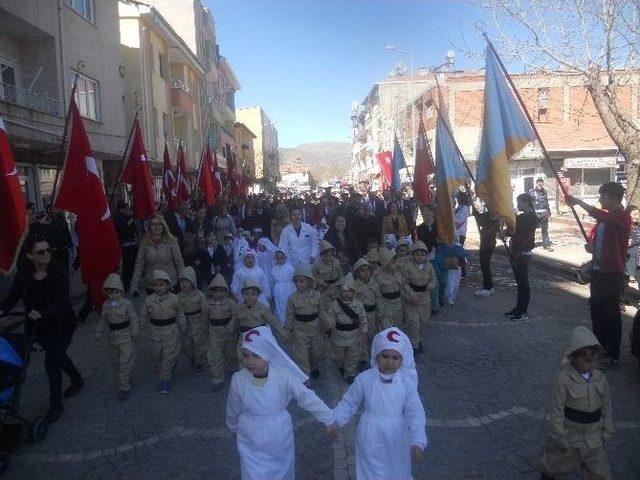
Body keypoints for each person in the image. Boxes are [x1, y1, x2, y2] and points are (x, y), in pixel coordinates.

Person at [226, 326, 337, 480]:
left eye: (256, 356)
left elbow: (306, 396)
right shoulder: (238, 379)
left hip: (278, 433)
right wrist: (233, 427)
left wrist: (328, 418)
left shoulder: (283, 376)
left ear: (268, 354)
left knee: (281, 470)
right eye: (246, 355)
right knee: (252, 472)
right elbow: (233, 407)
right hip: (249, 434)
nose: (249, 361)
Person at [0, 236, 84, 423]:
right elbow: (13, 296)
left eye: (48, 250)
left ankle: (56, 406)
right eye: (41, 252)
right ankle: (77, 379)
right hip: (36, 325)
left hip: (60, 323)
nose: (46, 254)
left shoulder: (59, 270)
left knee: (52, 362)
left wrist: (43, 313)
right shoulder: (24, 273)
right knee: (58, 355)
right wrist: (2, 310)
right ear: (30, 256)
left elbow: (62, 299)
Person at [332, 327, 427, 480]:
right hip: (370, 432)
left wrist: (418, 440)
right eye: (385, 356)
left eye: (395, 358)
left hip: (397, 434)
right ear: (376, 356)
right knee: (371, 470)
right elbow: (349, 402)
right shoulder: (365, 379)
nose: (389, 362)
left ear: (402, 360)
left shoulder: (406, 383)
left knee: (397, 469)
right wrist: (335, 420)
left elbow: (415, 412)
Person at [567, 183, 632, 368]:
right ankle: (600, 351)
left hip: (612, 273)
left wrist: (578, 201)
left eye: (603, 196)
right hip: (598, 271)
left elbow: (600, 215)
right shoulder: (604, 221)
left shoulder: (622, 217)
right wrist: (593, 248)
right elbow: (601, 243)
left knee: (610, 315)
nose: (600, 199)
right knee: (597, 313)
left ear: (613, 198)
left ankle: (613, 355)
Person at [540, 327, 613, 480]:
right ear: (573, 357)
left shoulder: (600, 378)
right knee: (553, 467)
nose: (591, 365)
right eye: (586, 360)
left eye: (595, 360)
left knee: (600, 474)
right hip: (570, 437)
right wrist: (560, 436)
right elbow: (556, 409)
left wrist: (607, 430)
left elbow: (607, 406)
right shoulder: (563, 379)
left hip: (594, 440)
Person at [95, 273, 139, 400]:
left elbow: (133, 318)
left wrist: (135, 331)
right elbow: (103, 320)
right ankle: (125, 375)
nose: (112, 295)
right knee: (116, 362)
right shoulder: (106, 305)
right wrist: (98, 331)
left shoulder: (126, 304)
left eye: (115, 291)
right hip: (113, 338)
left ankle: (123, 387)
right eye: (109, 292)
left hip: (125, 336)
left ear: (120, 290)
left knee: (125, 361)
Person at [140, 269, 186, 394]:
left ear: (168, 285)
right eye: (155, 285)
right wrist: (139, 326)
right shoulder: (149, 300)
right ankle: (171, 365)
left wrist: (182, 324)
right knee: (157, 355)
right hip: (155, 331)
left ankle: (165, 380)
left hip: (170, 330)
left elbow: (180, 313)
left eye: (161, 285)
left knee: (167, 356)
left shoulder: (174, 299)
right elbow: (143, 314)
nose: (158, 288)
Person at [325, 273, 367, 384]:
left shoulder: (358, 305)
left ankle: (350, 373)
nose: (347, 293)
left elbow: (363, 319)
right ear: (340, 292)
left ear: (353, 292)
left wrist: (364, 331)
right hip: (338, 335)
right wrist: (330, 325)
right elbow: (330, 317)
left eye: (349, 291)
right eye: (344, 291)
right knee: (338, 356)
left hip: (353, 335)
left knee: (352, 356)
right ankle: (341, 366)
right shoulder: (334, 305)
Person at [284, 265, 324, 379]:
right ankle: (305, 377)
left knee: (316, 351)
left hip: (315, 328)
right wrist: (287, 330)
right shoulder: (292, 298)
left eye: (301, 281)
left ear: (309, 281)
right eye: (296, 281)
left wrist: (327, 321)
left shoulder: (317, 295)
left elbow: (321, 311)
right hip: (299, 329)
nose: (298, 284)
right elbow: (289, 316)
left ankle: (314, 366)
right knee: (301, 355)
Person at [129, 215, 184, 295]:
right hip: (152, 286)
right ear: (149, 227)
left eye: (159, 224)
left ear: (163, 226)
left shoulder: (172, 241)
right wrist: (134, 284)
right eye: (153, 224)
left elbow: (179, 263)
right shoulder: (144, 243)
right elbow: (139, 264)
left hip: (170, 284)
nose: (156, 227)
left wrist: (183, 281)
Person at [504, 194, 538, 321]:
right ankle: (518, 308)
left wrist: (510, 219)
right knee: (520, 283)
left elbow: (514, 229)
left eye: (520, 203)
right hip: (516, 251)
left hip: (522, 253)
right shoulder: (523, 216)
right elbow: (511, 229)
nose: (518, 205)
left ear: (527, 203)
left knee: (523, 283)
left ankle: (523, 311)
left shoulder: (530, 217)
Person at [401, 242, 436, 354]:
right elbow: (404, 283)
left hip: (424, 298)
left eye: (422, 254)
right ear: (412, 255)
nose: (420, 257)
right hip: (411, 298)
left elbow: (433, 279)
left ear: (426, 255)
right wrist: (411, 295)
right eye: (417, 254)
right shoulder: (407, 266)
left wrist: (430, 286)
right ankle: (414, 345)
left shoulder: (429, 266)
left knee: (422, 321)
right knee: (414, 322)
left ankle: (419, 339)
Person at [206, 273, 237, 392]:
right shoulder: (208, 304)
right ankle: (217, 378)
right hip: (214, 333)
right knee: (215, 356)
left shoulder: (230, 303)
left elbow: (235, 316)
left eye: (221, 291)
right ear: (211, 291)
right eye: (215, 291)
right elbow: (205, 317)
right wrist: (204, 330)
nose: (219, 294)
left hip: (228, 333)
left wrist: (232, 325)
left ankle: (233, 366)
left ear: (226, 291)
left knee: (230, 353)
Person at [233, 277, 287, 342]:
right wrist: (230, 333)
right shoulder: (238, 308)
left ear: (258, 295)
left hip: (260, 338)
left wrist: (282, 333)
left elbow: (273, 322)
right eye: (246, 294)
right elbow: (234, 323)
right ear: (242, 295)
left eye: (253, 294)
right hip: (244, 339)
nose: (249, 297)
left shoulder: (263, 308)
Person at [177, 266, 208, 375]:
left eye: (187, 281)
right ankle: (191, 357)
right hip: (185, 322)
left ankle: (199, 363)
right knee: (186, 344)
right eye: (182, 281)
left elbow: (205, 311)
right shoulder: (178, 297)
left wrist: (204, 323)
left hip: (197, 322)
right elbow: (177, 312)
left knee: (198, 343)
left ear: (192, 282)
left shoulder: (200, 295)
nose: (184, 284)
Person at [473, 202, 500, 297]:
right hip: (489, 241)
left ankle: (487, 287)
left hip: (487, 242)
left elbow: (480, 220)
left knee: (485, 264)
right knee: (485, 264)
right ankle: (489, 286)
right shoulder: (493, 214)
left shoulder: (491, 215)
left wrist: (475, 212)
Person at [113, 202, 138, 292]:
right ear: (121, 209)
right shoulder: (116, 217)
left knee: (132, 265)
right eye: (126, 209)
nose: (127, 210)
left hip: (132, 243)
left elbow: (133, 228)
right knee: (127, 265)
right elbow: (122, 229)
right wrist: (130, 220)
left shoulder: (127, 216)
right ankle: (126, 284)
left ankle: (131, 284)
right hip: (125, 244)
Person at [271, 249, 296, 326]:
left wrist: (294, 290)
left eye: (281, 258)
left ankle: (290, 320)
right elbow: (273, 280)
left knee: (288, 304)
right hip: (278, 289)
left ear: (285, 257)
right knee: (279, 305)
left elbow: (293, 279)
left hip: (288, 288)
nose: (279, 260)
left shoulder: (290, 267)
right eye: (277, 258)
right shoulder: (274, 268)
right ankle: (282, 321)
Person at [529, 177, 553, 251]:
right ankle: (530, 244)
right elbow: (529, 203)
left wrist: (549, 212)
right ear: (536, 183)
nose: (540, 183)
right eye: (538, 182)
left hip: (544, 214)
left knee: (545, 230)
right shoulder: (531, 192)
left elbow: (546, 202)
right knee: (532, 230)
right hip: (535, 215)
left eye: (541, 182)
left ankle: (546, 245)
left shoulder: (545, 192)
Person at [454, 191, 471, 278]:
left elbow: (458, 221)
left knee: (459, 253)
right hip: (456, 233)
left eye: (458, 197)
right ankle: (460, 271)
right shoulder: (459, 207)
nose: (457, 199)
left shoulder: (464, 208)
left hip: (460, 233)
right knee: (457, 253)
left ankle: (463, 272)